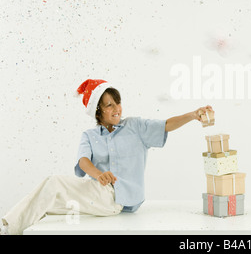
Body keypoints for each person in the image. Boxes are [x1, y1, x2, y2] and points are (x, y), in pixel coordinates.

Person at [1, 79, 213, 235]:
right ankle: (13, 228)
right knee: (45, 201)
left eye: (117, 102)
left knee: (53, 183)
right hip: (98, 195)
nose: (116, 108)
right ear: (97, 111)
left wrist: (193, 115)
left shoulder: (135, 126)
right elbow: (83, 161)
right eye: (109, 104)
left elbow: (166, 124)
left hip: (115, 199)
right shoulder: (89, 135)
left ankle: (8, 229)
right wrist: (99, 174)